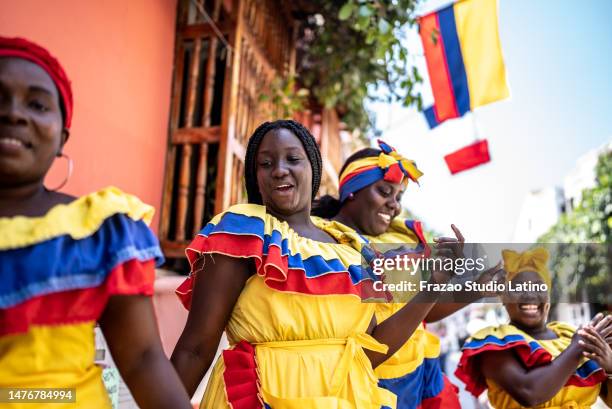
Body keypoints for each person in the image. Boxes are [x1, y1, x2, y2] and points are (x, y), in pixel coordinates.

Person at [171, 120, 449, 408]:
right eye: (265, 163)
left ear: (313, 169)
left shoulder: (351, 248)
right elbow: (195, 349)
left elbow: (371, 351)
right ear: (255, 177)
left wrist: (434, 286)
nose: (279, 169)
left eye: (292, 159)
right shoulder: (245, 231)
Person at [0, 37, 191, 408]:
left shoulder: (95, 233)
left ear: (61, 138)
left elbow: (142, 359)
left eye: (37, 104)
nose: (14, 113)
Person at [311, 140, 489, 408]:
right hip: (364, 384)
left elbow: (423, 310)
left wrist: (480, 287)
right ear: (352, 191)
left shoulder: (399, 241)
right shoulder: (318, 239)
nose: (394, 205)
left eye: (399, 197)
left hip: (415, 377)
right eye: (384, 191)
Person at [455, 247, 612, 408]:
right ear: (503, 297)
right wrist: (576, 348)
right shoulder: (494, 342)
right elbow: (530, 392)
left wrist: (610, 365)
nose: (530, 294)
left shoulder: (570, 334)